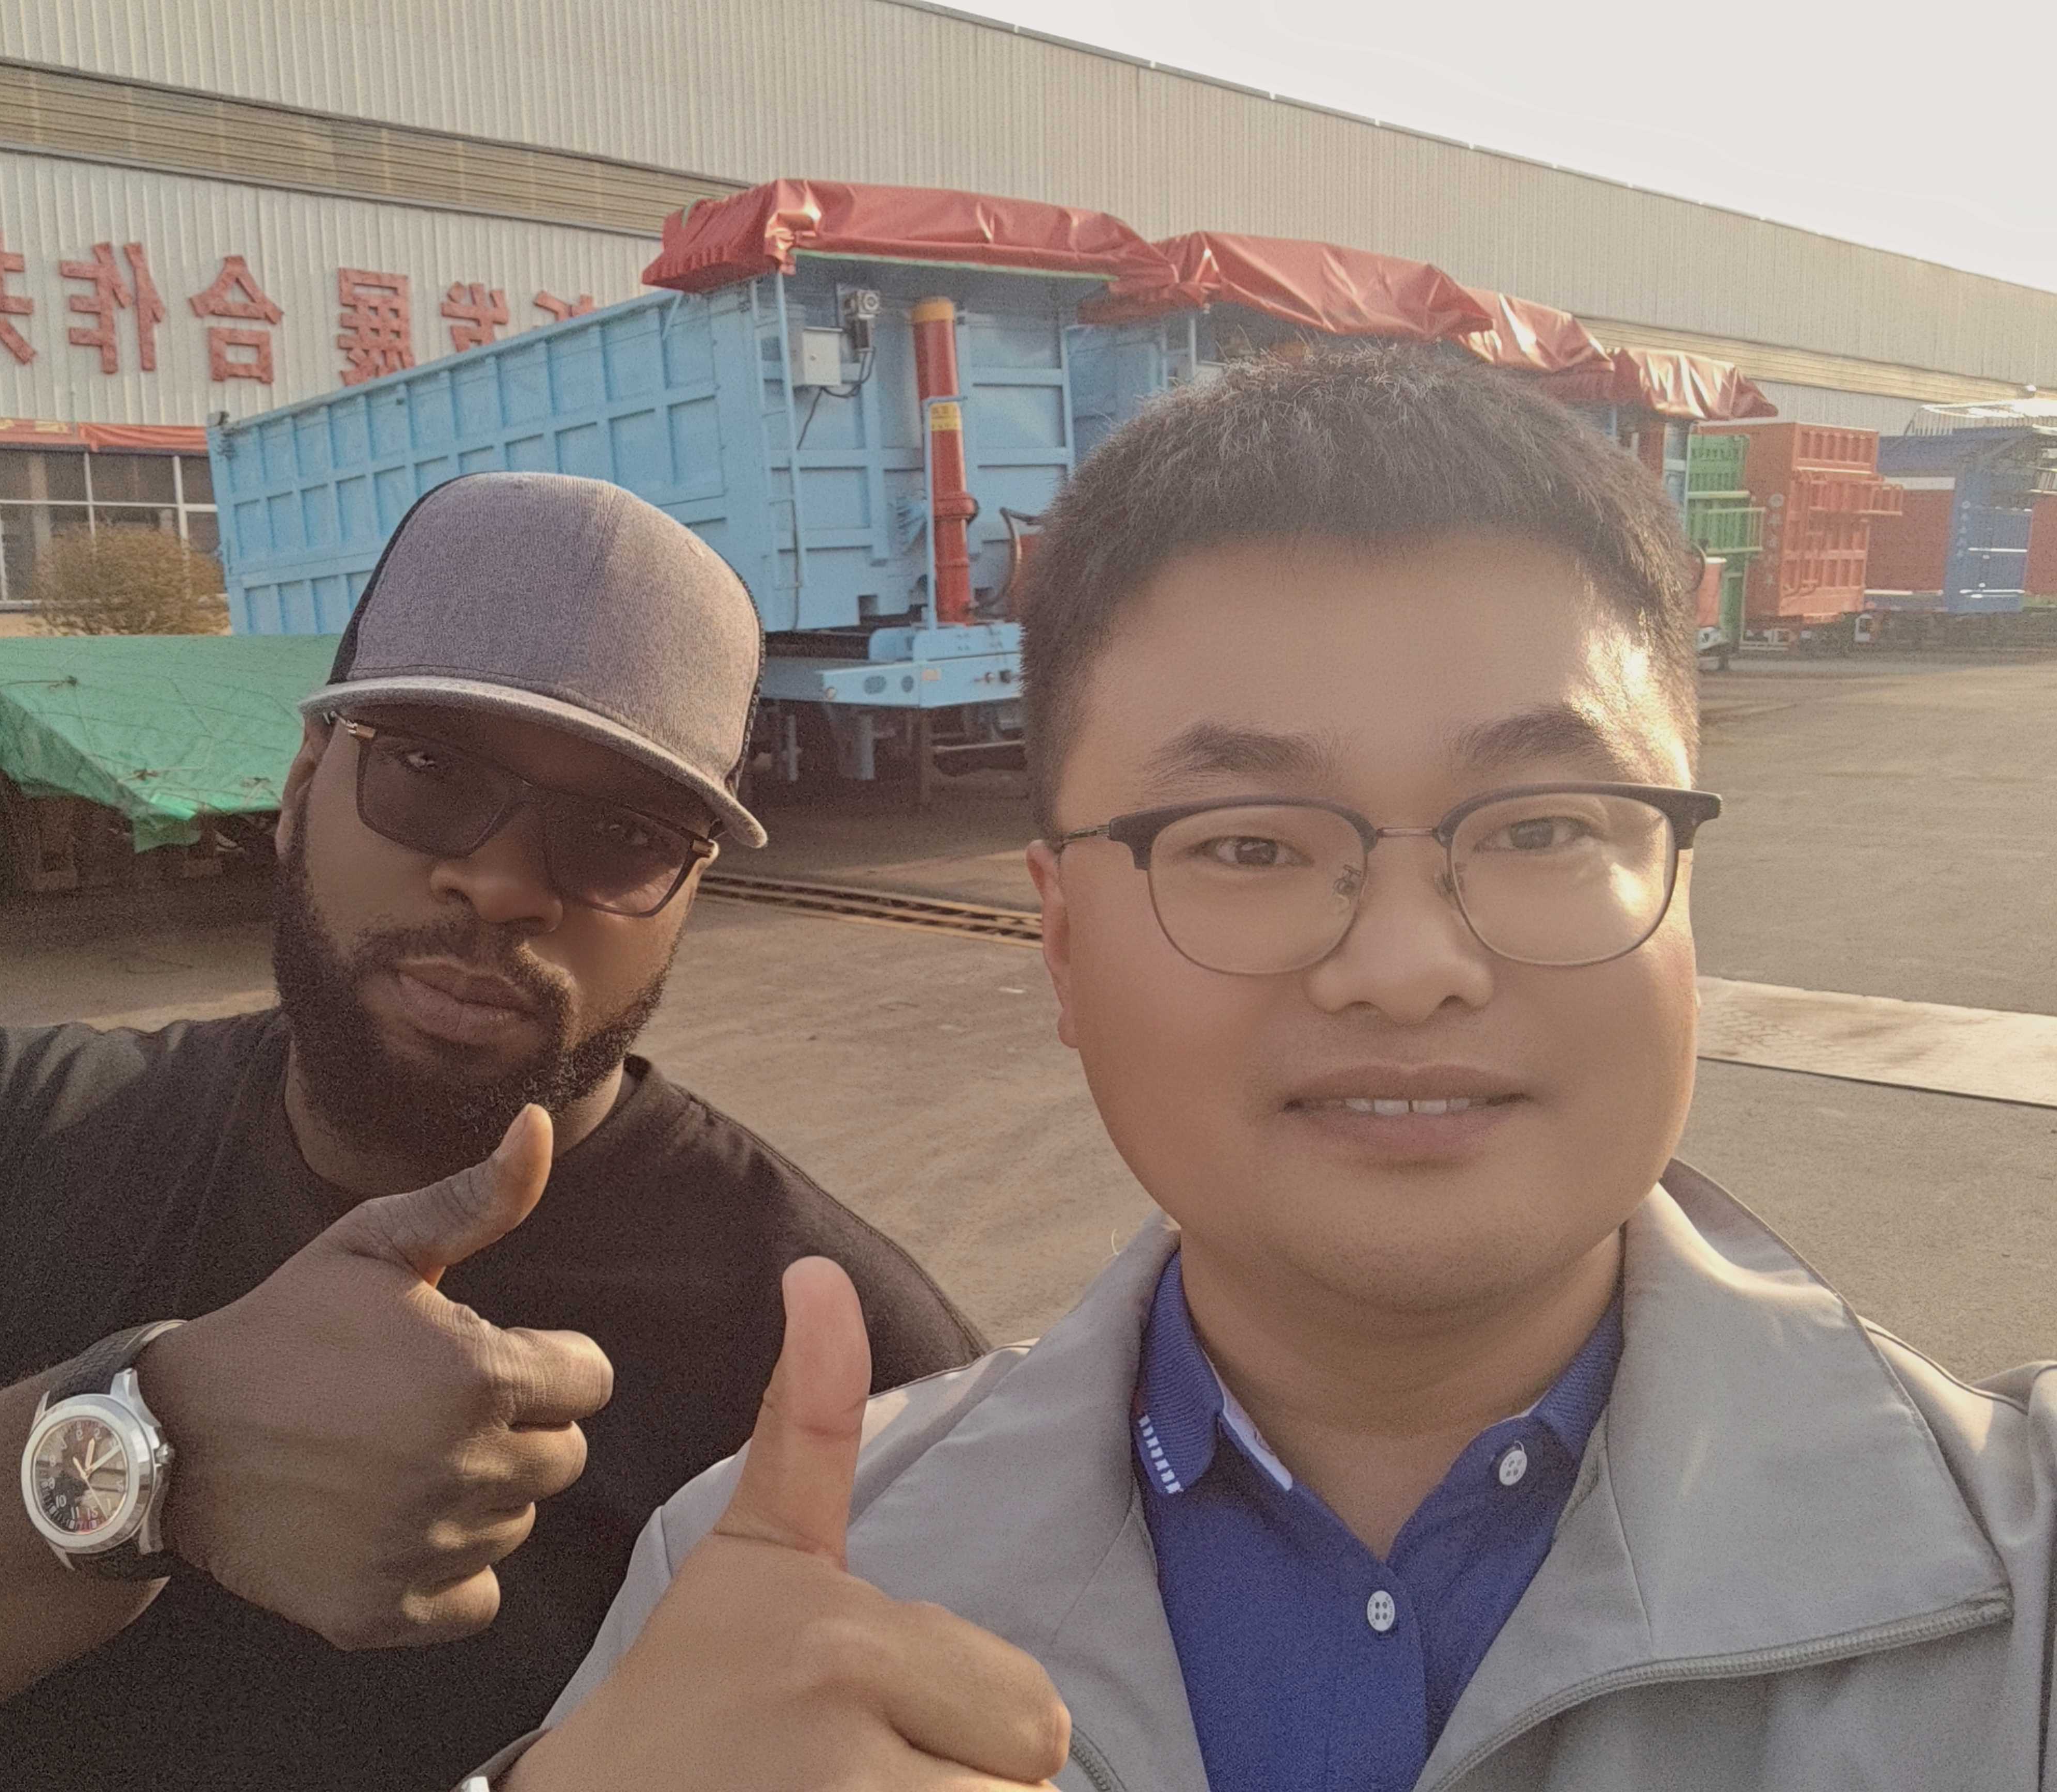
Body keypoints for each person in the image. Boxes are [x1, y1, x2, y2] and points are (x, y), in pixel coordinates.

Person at [486, 349, 2057, 1792]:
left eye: (1543, 827)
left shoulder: (2020, 1591)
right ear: (1060, 946)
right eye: (1245, 843)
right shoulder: (772, 1602)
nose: (1405, 963)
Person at [0, 472, 984, 1792]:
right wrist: (145, 1449)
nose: (506, 882)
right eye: (429, 771)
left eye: (623, 833)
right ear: (300, 786)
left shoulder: (837, 1361)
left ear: (692, 895)